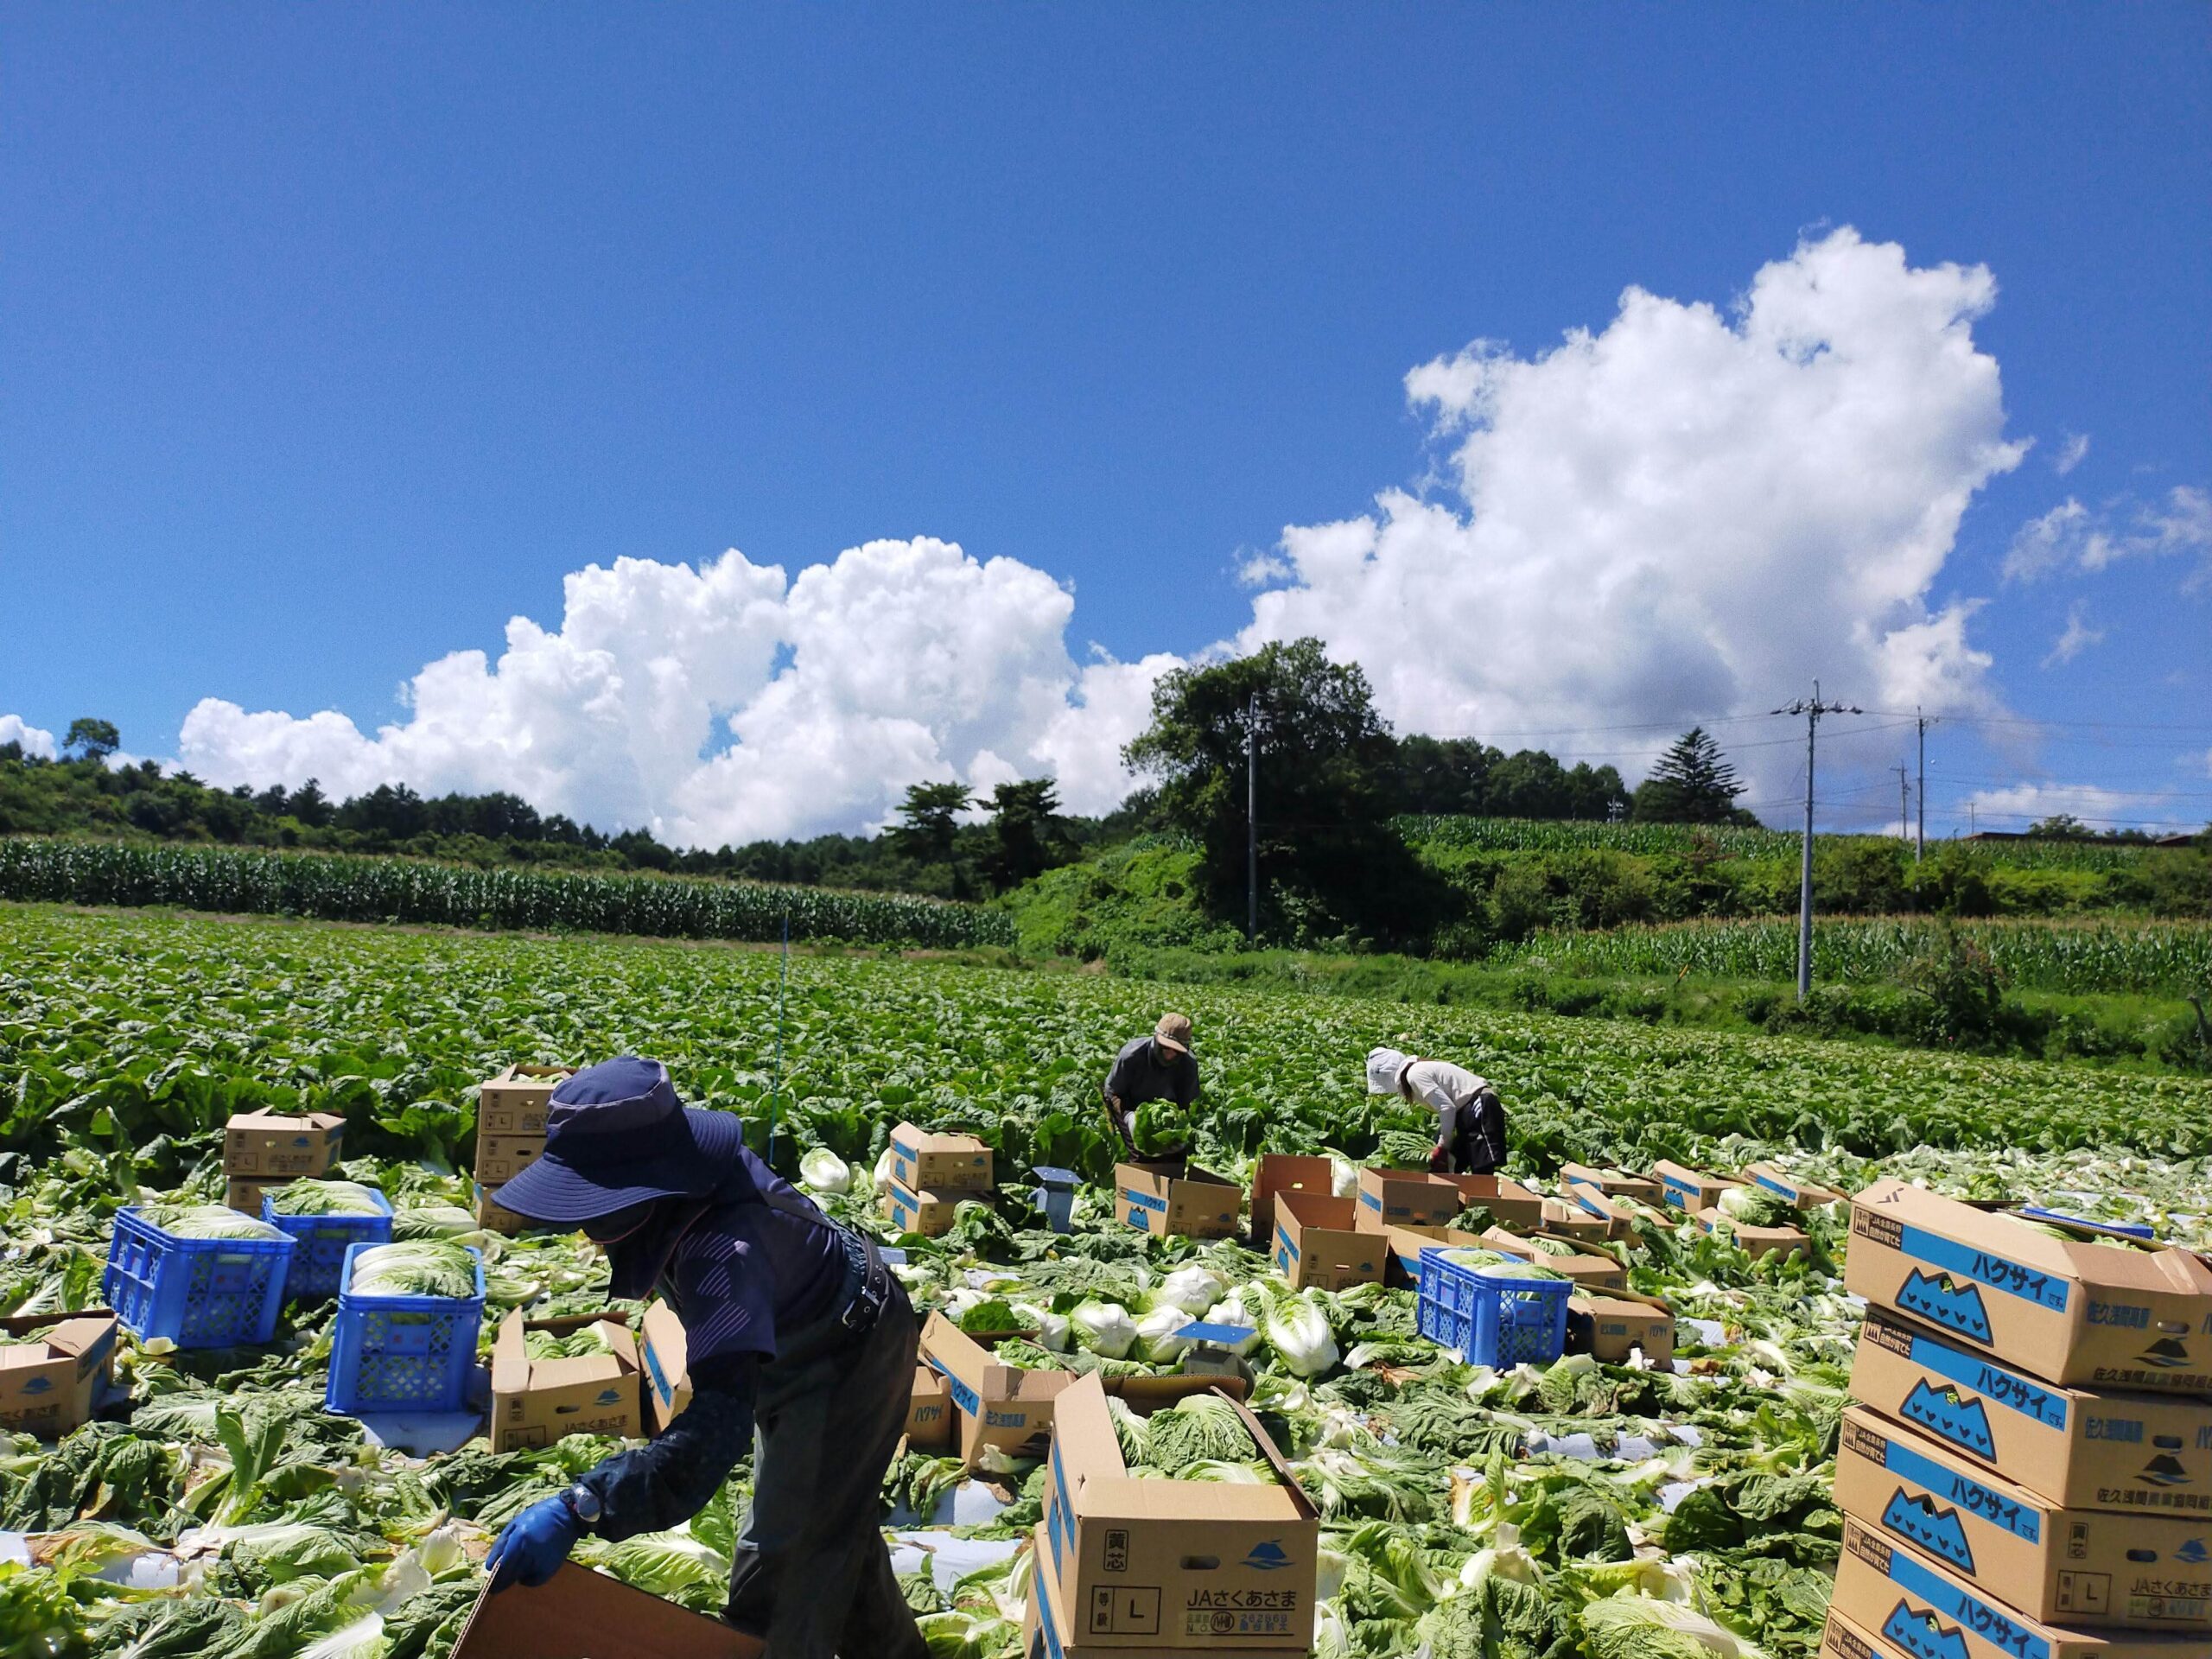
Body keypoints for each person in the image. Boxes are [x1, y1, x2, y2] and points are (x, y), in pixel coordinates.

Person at [481, 1057, 925, 1659]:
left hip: (848, 1355)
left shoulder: (723, 1253)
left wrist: (584, 1505)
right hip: (813, 1331)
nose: (586, 1228)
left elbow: (713, 1434)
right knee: (827, 1519)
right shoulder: (687, 1182)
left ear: (649, 1186)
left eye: (594, 1205)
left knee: (781, 1569)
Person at [1364, 1046, 1507, 1175]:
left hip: (1479, 1106)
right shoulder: (1417, 1070)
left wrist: (1442, 1146)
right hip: (1464, 1113)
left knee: (1482, 1168)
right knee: (1453, 1165)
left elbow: (1446, 1108)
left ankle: (1484, 1200)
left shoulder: (1415, 1074)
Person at [1100, 1012, 1199, 1155]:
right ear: (1156, 1039)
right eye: (1166, 1047)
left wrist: (1181, 1132)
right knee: (1139, 1154)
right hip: (1129, 1106)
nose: (1170, 1053)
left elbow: (1187, 1105)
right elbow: (1113, 1092)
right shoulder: (1131, 1055)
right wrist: (1129, 1118)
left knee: (1176, 1159)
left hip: (1168, 1117)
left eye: (1177, 1050)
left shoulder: (1188, 1064)